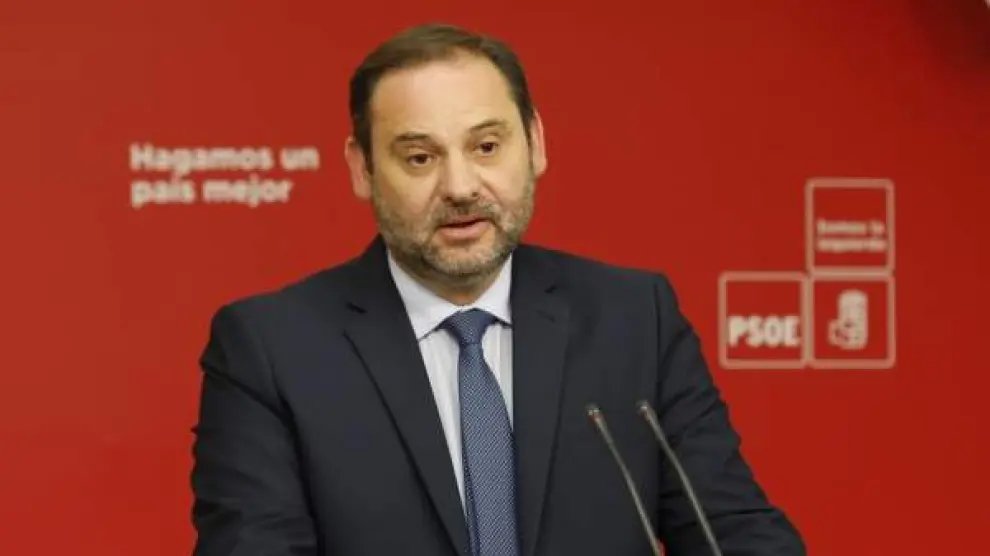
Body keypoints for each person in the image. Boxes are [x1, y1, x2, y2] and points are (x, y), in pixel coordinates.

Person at [190, 22, 806, 556]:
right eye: (420, 158)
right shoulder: (272, 351)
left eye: (486, 146)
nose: (461, 187)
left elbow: (734, 532)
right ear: (362, 168)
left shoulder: (634, 320)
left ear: (535, 144)